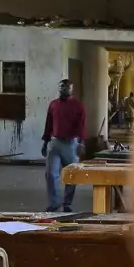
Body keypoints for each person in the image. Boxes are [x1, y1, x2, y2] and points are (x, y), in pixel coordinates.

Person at [42, 79, 86, 213]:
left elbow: (82, 125)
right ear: (59, 88)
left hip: (71, 144)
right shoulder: (53, 105)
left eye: (68, 87)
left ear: (72, 89)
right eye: (62, 87)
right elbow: (48, 124)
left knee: (72, 175)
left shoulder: (79, 106)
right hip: (55, 143)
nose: (64, 89)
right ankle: (54, 203)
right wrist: (45, 142)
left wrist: (81, 143)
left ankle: (67, 203)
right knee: (51, 173)